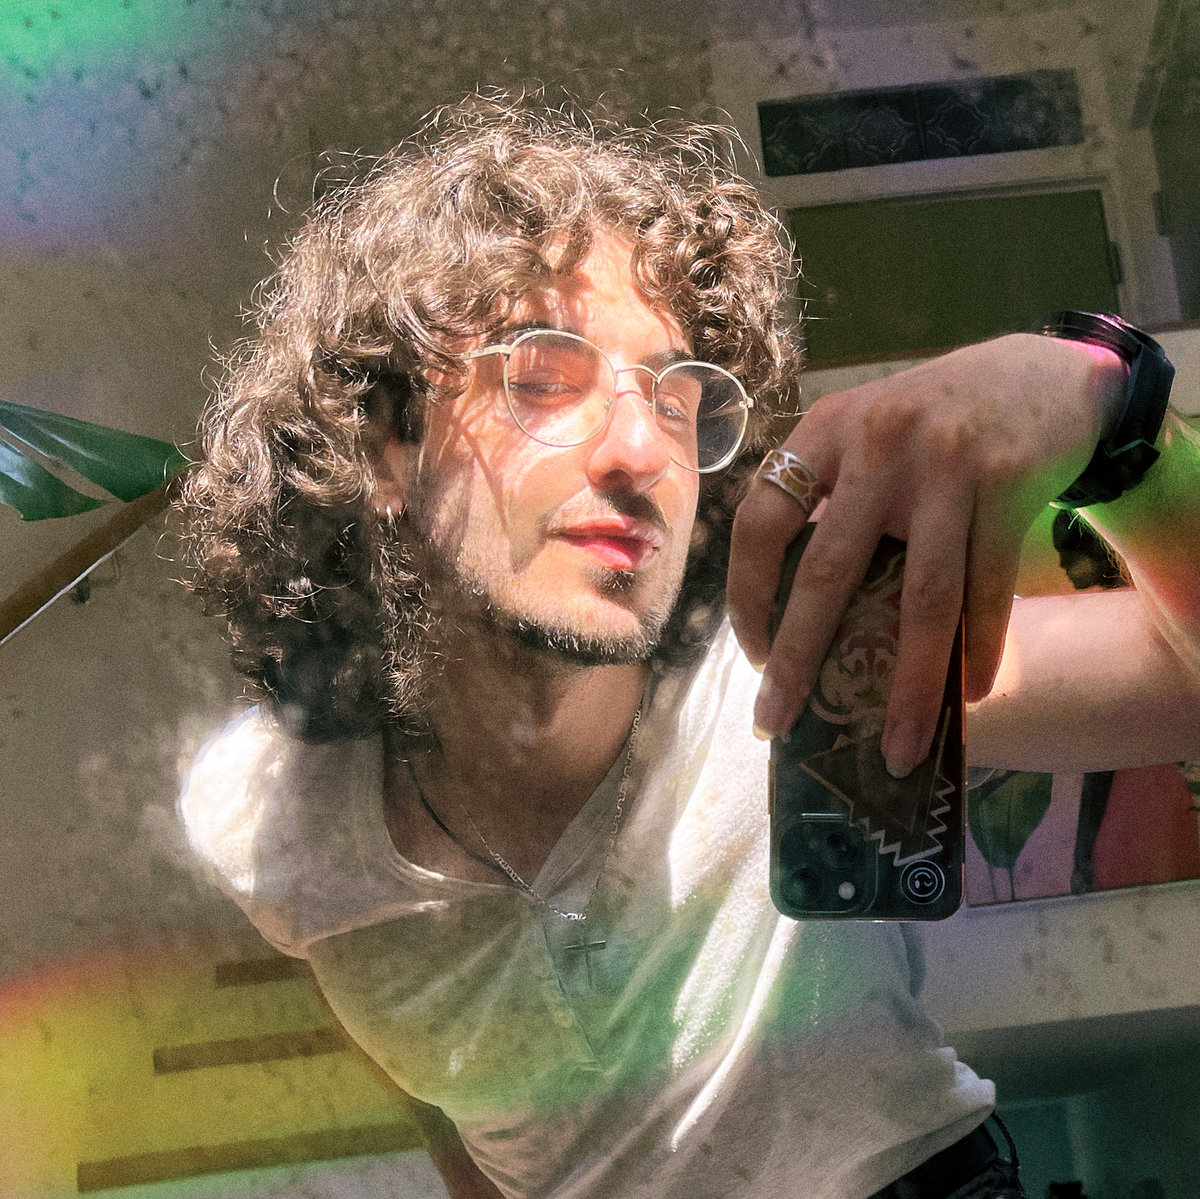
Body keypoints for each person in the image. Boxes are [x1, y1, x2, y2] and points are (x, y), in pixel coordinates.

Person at [177, 93, 1200, 1199]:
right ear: (383, 446)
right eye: (543, 376)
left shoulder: (794, 668)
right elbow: (435, 1081)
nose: (639, 447)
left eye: (677, 399)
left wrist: (1122, 418)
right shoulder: (259, 816)